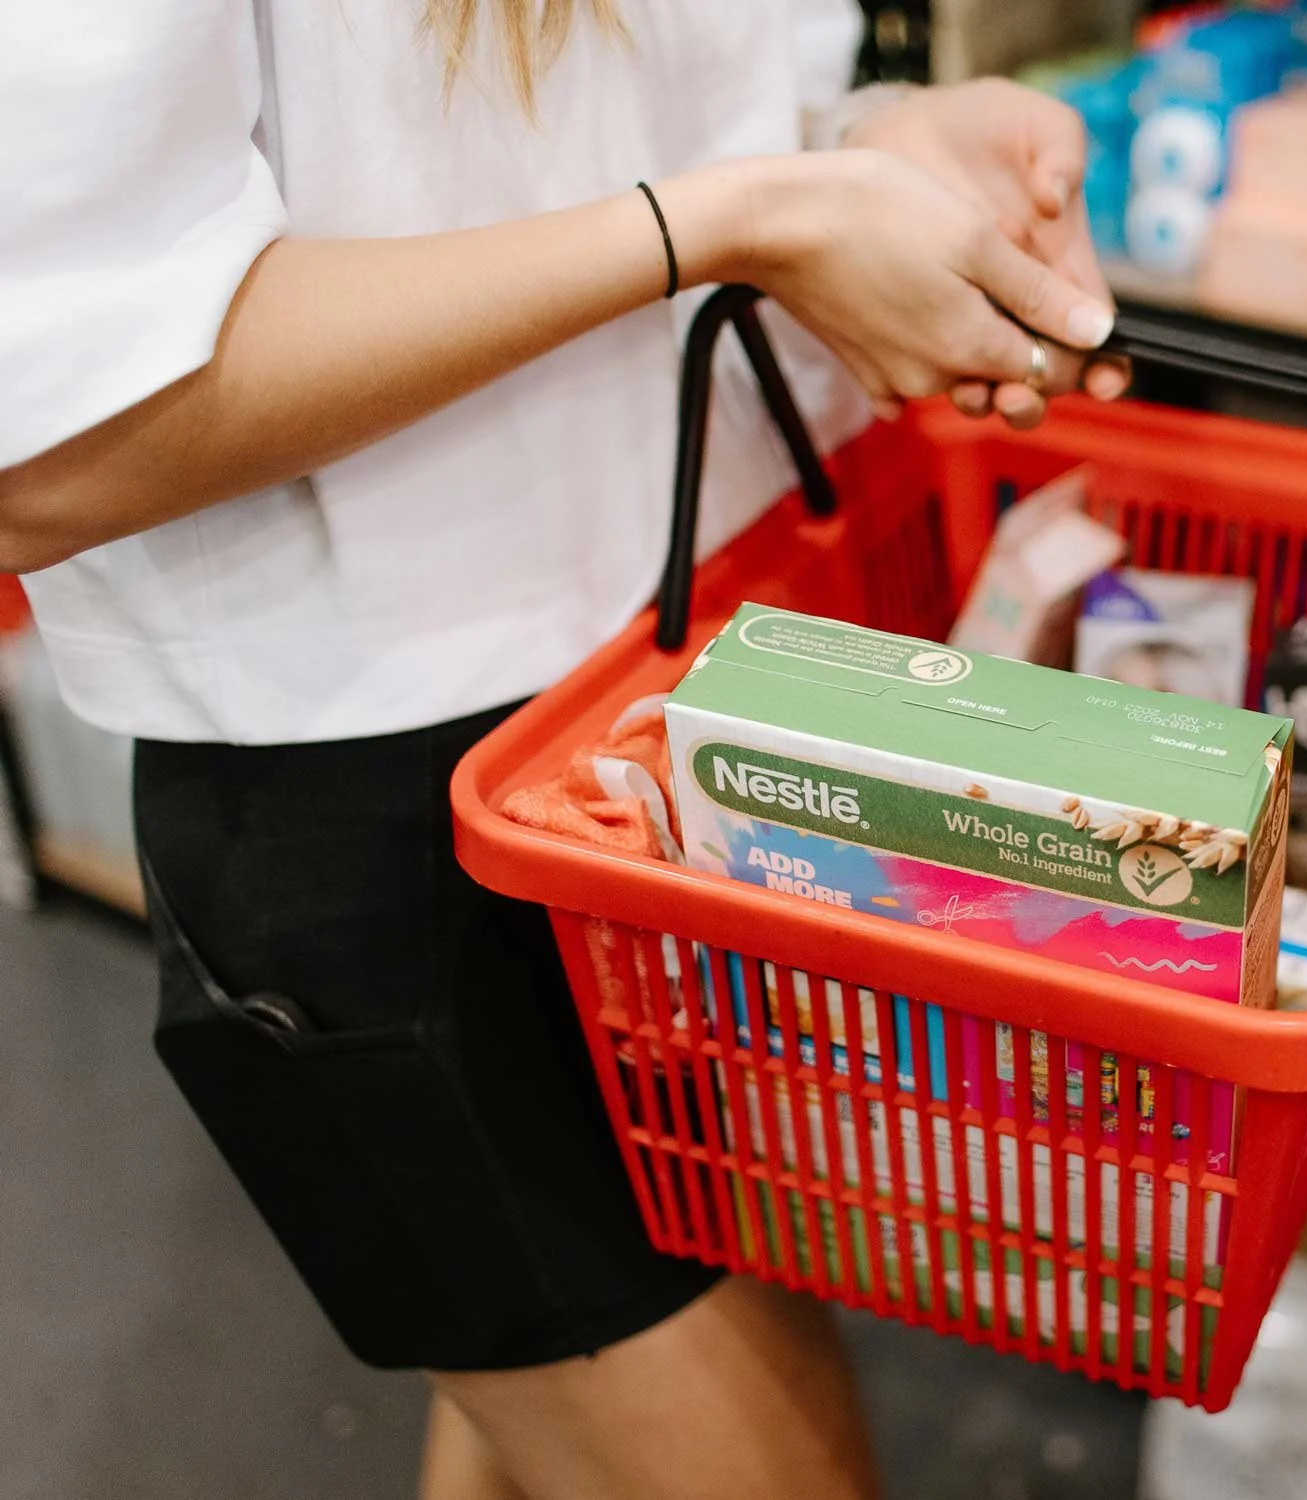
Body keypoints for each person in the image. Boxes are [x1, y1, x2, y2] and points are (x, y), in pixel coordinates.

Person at [0, 3, 1127, 1496]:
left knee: (546, 1397)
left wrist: (866, 143)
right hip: (386, 809)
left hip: (668, 702)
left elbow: (683, 111)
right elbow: (55, 436)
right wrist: (738, 216)